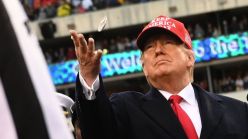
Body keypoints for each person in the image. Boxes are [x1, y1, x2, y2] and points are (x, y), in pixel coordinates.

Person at [70, 15, 248, 139]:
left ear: (190, 58)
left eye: (168, 42)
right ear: (144, 67)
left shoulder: (238, 111)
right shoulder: (124, 108)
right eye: (149, 47)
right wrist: (88, 77)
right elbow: (96, 132)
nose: (158, 50)